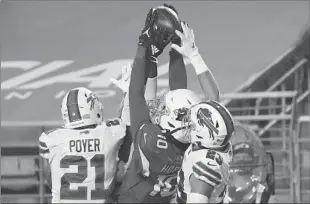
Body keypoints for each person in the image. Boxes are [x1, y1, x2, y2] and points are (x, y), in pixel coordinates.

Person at [114, 5, 204, 203]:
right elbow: (179, 91)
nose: (161, 105)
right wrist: (176, 50)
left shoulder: (150, 139)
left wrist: (143, 45)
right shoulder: (193, 143)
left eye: (165, 107)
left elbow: (136, 94)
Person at [38, 87, 128, 203]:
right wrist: (126, 94)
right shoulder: (109, 133)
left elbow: (49, 173)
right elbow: (125, 120)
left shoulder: (51, 139)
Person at [175, 101, 235, 204]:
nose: (188, 126)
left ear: (202, 133)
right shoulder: (219, 145)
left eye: (193, 125)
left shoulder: (205, 164)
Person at [223, 122, 278, 203]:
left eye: (245, 158)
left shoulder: (261, 193)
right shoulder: (221, 192)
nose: (241, 163)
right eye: (239, 158)